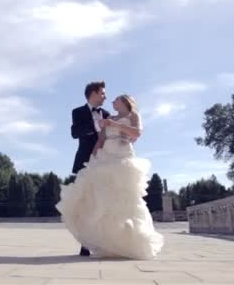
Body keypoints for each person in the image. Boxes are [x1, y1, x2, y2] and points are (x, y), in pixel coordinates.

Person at [56, 94, 164, 259]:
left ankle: (132, 240)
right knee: (103, 197)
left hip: (123, 155)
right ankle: (107, 241)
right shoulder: (110, 117)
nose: (111, 101)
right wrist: (93, 156)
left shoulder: (132, 115)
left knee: (126, 196)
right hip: (106, 154)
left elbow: (137, 133)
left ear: (124, 102)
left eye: (116, 99)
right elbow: (101, 139)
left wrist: (114, 125)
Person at [68, 81, 110, 256]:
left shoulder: (107, 114)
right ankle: (85, 244)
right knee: (86, 203)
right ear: (93, 93)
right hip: (84, 162)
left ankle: (105, 241)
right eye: (102, 93)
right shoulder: (77, 112)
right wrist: (96, 126)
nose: (105, 96)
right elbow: (75, 133)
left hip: (104, 162)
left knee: (103, 203)